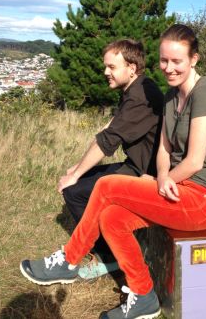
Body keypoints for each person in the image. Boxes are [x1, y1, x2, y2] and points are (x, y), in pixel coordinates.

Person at [20, 24, 206, 319]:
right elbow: (164, 148)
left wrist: (163, 178)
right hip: (174, 188)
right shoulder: (170, 96)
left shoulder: (205, 94)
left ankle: (69, 259)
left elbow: (194, 161)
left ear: (194, 59)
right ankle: (144, 297)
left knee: (106, 186)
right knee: (111, 217)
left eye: (177, 61)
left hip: (201, 199)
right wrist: (161, 174)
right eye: (164, 60)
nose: (168, 67)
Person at [58, 39, 164, 278]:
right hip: (137, 166)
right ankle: (109, 244)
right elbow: (110, 129)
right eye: (105, 66)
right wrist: (79, 167)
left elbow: (109, 142)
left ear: (132, 68)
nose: (106, 72)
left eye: (112, 67)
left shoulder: (140, 97)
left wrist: (74, 176)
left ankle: (109, 257)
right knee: (82, 181)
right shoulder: (136, 88)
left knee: (75, 192)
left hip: (147, 173)